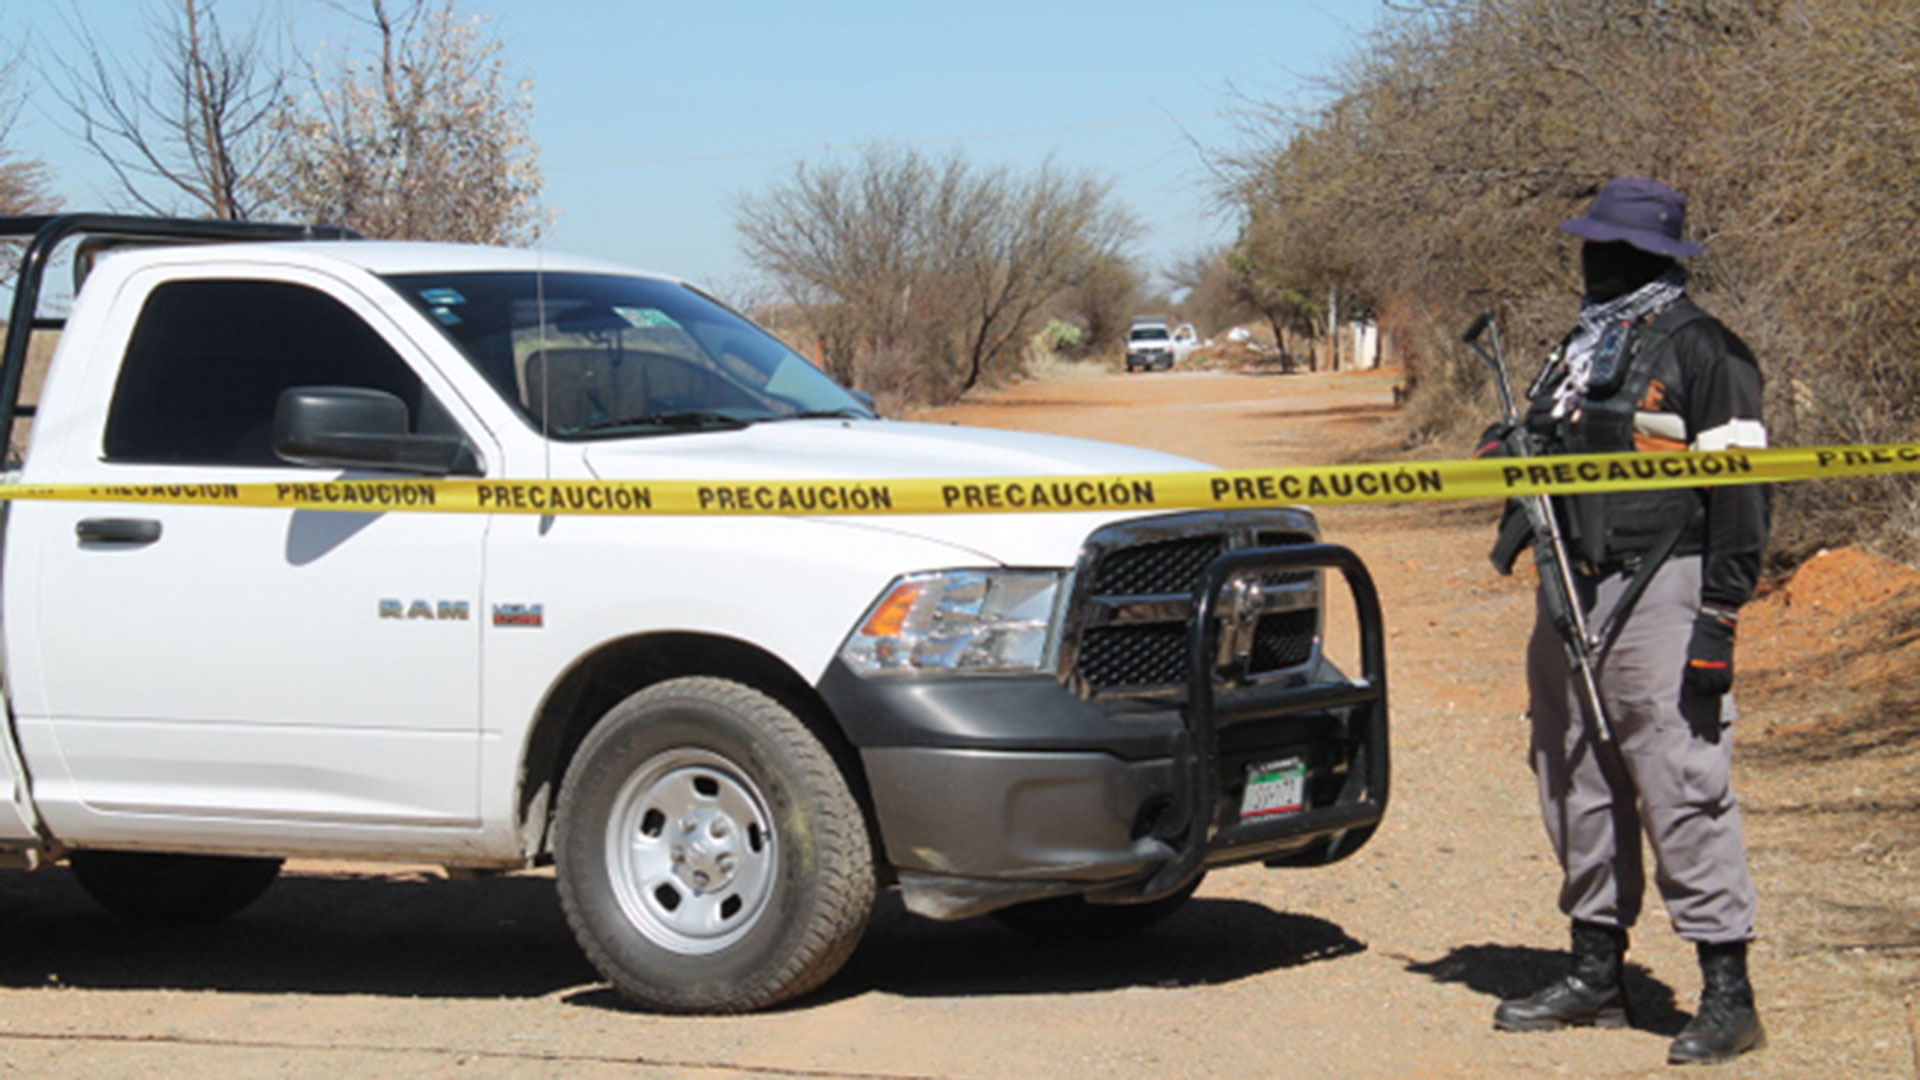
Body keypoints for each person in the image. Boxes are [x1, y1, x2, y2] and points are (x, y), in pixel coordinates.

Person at [1484, 178, 1769, 1066]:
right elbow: (1537, 440)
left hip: (1667, 587)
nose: (1592, 259)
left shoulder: (1708, 350)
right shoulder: (1580, 345)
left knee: (1680, 781)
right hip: (1572, 588)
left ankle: (1728, 989)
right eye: (1590, 243)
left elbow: (1743, 496)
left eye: (1609, 247)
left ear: (1651, 258)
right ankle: (1596, 969)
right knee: (1573, 773)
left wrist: (1719, 616)